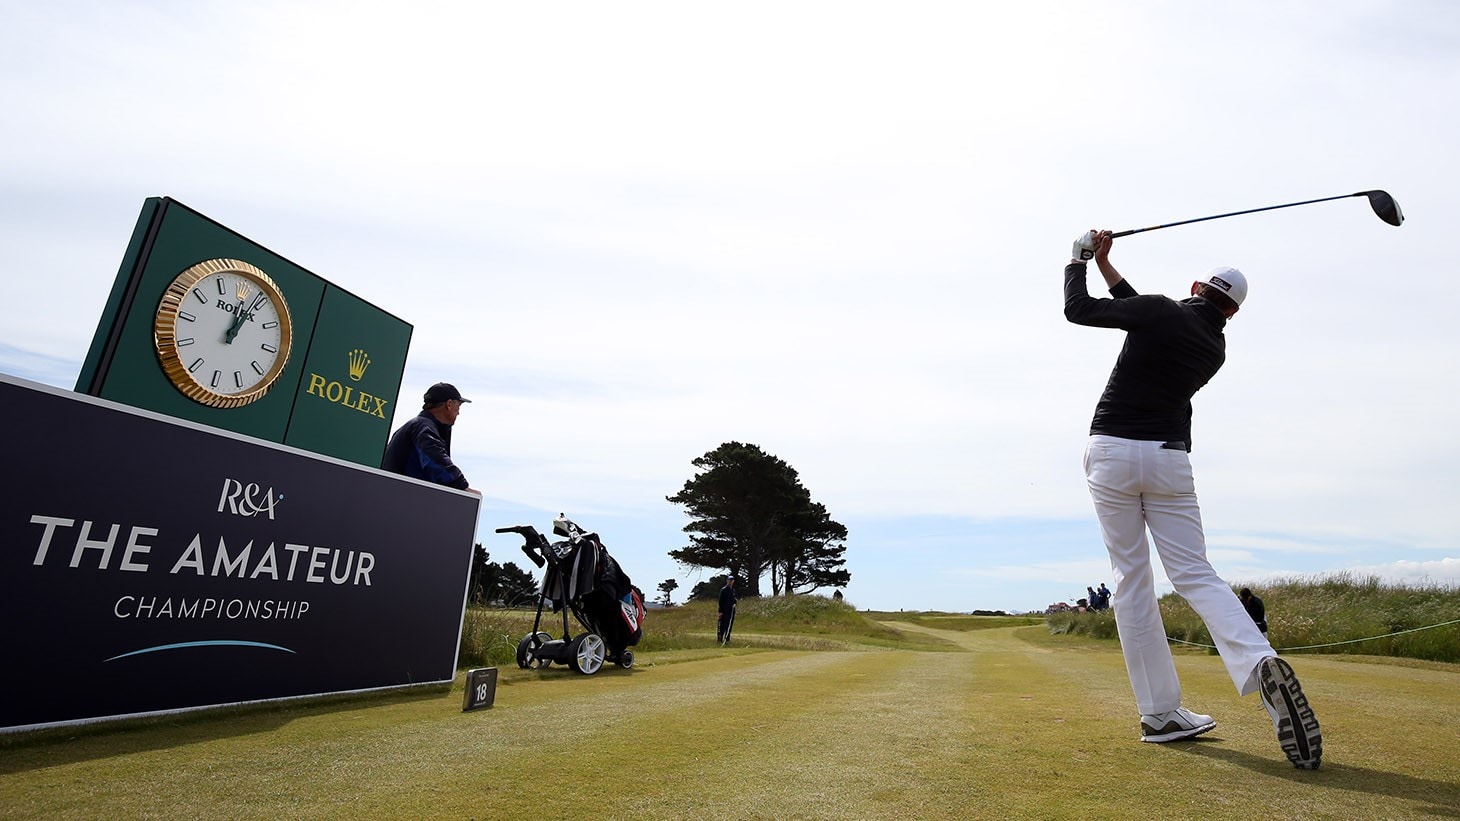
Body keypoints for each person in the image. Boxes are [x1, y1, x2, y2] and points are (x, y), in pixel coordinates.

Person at [1063, 229, 1321, 769]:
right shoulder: (1215, 347)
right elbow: (1142, 311)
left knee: (1132, 579)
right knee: (1195, 573)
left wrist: (1078, 258)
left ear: (1196, 286)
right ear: (1231, 311)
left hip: (1110, 450)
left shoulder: (1158, 310)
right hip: (1169, 459)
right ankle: (1259, 659)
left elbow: (1079, 311)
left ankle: (1159, 714)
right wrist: (1110, 267)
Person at [381, 382, 481, 494]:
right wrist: (461, 487)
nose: (459, 412)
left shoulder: (417, 425)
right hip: (399, 497)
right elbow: (435, 458)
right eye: (459, 405)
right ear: (449, 404)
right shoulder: (423, 427)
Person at [717, 576, 738, 644]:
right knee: (722, 625)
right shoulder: (724, 590)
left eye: (732, 580)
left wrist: (735, 603)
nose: (730, 582)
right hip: (724, 611)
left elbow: (734, 600)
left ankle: (727, 639)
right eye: (729, 580)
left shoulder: (733, 590)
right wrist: (720, 612)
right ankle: (720, 639)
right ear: (727, 581)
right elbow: (720, 601)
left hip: (731, 611)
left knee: (729, 625)